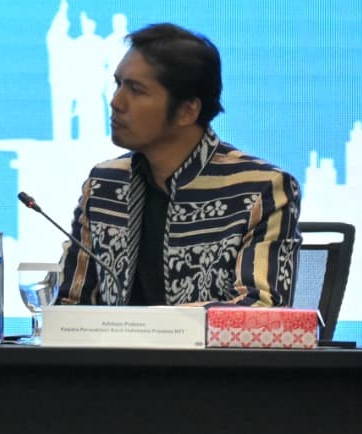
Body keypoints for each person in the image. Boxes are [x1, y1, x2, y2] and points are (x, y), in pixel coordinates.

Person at [53, 22, 298, 307]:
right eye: (118, 84)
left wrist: (150, 326)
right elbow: (71, 304)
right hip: (114, 340)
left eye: (137, 90)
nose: (116, 102)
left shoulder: (260, 189)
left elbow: (262, 310)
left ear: (187, 111)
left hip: (206, 342)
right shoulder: (104, 183)